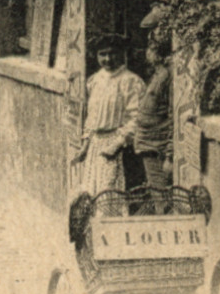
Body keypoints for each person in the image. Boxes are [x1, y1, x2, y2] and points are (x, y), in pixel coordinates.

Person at [73, 34, 144, 206]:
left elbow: (136, 119)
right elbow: (92, 116)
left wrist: (117, 144)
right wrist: (85, 145)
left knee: (110, 197)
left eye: (112, 53)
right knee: (91, 194)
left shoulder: (131, 81)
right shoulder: (95, 80)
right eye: (102, 54)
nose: (107, 59)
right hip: (95, 146)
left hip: (118, 147)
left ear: (121, 54)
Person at [135, 24, 174, 210]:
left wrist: (169, 155)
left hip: (157, 147)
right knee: (156, 194)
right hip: (148, 144)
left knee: (162, 199)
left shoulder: (166, 76)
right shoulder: (158, 74)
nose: (148, 52)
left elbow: (173, 116)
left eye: (151, 48)